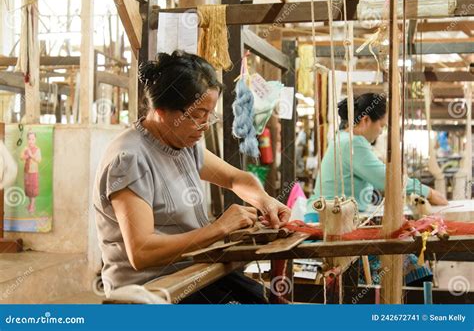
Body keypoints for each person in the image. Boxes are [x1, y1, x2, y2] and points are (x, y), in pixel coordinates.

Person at [93, 50, 291, 303]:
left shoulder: (184, 143)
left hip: (193, 273)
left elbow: (236, 179)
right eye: (197, 116)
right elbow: (141, 251)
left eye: (210, 115)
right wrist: (219, 228)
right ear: (162, 112)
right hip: (150, 289)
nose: (205, 125)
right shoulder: (130, 159)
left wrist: (265, 201)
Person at [306, 93, 448, 286]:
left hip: (329, 222)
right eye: (381, 125)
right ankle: (411, 309)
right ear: (365, 120)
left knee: (405, 255)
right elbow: (388, 181)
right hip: (328, 227)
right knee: (409, 263)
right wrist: (429, 192)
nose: (381, 132)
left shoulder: (342, 140)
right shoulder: (352, 143)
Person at [21, 130, 41, 214]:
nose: (31, 141)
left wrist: (31, 155)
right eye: (29, 139)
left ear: (35, 139)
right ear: (27, 140)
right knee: (28, 189)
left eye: (32, 139)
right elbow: (21, 157)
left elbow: (39, 160)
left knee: (33, 189)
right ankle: (31, 204)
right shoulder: (25, 148)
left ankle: (32, 206)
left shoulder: (37, 149)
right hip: (26, 172)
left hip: (33, 172)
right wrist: (25, 155)